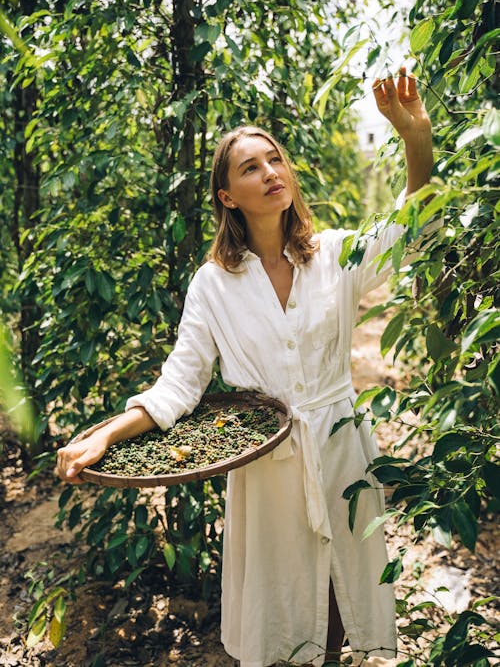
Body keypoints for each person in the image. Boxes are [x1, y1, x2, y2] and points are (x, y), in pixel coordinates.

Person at [57, 68, 435, 667]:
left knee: (340, 597)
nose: (270, 173)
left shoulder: (334, 254)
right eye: (251, 167)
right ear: (227, 195)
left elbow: (411, 230)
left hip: (339, 448)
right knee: (284, 610)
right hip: (267, 467)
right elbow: (180, 384)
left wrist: (416, 137)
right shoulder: (214, 285)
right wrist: (102, 435)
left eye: (275, 160)